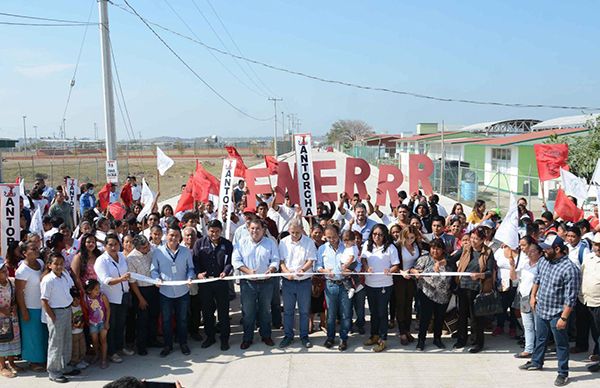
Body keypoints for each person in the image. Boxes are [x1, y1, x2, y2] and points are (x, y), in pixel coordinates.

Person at [519, 235, 581, 387]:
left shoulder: (569, 269)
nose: (543, 250)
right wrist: (533, 296)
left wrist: (564, 318)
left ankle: (563, 373)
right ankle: (536, 361)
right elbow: (537, 279)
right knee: (540, 338)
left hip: (557, 314)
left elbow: (571, 297)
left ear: (557, 249)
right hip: (541, 309)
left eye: (547, 248)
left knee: (561, 344)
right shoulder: (544, 261)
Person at [233, 219, 280, 350]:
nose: (255, 231)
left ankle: (266, 335)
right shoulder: (241, 243)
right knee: (248, 312)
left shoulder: (270, 243)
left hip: (266, 283)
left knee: (265, 311)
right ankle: (247, 338)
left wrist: (271, 269)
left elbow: (275, 259)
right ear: (248, 229)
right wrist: (248, 272)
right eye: (252, 228)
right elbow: (236, 261)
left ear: (263, 230)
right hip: (248, 283)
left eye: (258, 228)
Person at [151, 227, 195, 357]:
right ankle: (168, 345)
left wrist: (190, 277)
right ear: (166, 236)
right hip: (165, 292)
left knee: (182, 319)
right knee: (166, 320)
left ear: (180, 237)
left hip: (182, 291)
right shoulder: (158, 252)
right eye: (171, 235)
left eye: (176, 235)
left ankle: (183, 343)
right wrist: (156, 279)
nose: (173, 238)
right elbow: (154, 270)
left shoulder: (185, 251)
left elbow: (191, 268)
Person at [193, 220, 233, 351]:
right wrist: (198, 273)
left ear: (221, 231)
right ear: (208, 231)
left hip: (221, 282)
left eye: (217, 231)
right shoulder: (200, 243)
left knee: (223, 312)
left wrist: (225, 271)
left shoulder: (227, 244)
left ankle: (224, 339)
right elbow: (195, 261)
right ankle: (210, 337)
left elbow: (230, 262)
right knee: (207, 311)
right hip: (206, 283)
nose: (214, 234)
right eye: (211, 231)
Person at [455, 227, 496, 353]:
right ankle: (461, 339)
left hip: (478, 288)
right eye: (472, 238)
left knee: (476, 317)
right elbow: (452, 258)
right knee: (462, 315)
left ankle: (477, 342)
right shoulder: (466, 249)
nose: (473, 241)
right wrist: (442, 262)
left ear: (483, 240)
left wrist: (479, 275)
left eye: (476, 239)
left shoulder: (488, 252)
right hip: (463, 286)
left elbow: (490, 272)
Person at [40, 253, 80, 383]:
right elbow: (44, 301)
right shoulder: (48, 280)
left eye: (61, 264)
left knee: (67, 340)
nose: (59, 266)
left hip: (67, 309)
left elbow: (70, 289)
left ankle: (64, 366)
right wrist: (52, 317)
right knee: (56, 343)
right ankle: (54, 371)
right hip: (56, 312)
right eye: (55, 263)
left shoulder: (64, 276)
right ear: (49, 265)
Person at [278, 220, 317, 349]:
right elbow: (281, 261)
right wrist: (286, 272)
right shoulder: (283, 242)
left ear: (302, 230)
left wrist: (303, 270)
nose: (295, 235)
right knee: (288, 311)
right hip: (288, 282)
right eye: (292, 232)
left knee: (304, 311)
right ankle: (288, 336)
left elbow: (311, 260)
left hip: (304, 282)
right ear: (289, 231)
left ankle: (304, 336)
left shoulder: (309, 242)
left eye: (297, 232)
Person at [361, 224, 400, 352]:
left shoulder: (391, 248)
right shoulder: (367, 245)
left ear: (385, 236)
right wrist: (366, 267)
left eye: (380, 234)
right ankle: (374, 335)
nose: (377, 237)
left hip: (384, 284)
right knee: (373, 313)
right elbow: (363, 260)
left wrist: (390, 270)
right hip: (370, 284)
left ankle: (383, 339)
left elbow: (396, 265)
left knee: (382, 313)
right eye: (374, 234)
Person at [94, 234, 132, 364]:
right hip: (110, 299)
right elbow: (105, 280)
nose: (113, 247)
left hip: (123, 296)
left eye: (115, 244)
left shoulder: (122, 256)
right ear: (105, 246)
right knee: (111, 326)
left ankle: (120, 347)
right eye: (110, 244)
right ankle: (112, 352)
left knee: (121, 324)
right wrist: (121, 279)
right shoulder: (101, 260)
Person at [410, 238, 452, 350]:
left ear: (443, 250)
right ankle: (421, 340)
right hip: (426, 293)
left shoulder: (448, 260)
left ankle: (437, 339)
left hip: (443, 294)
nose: (435, 251)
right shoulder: (424, 259)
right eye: (433, 248)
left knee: (439, 318)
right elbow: (413, 270)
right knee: (425, 318)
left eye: (438, 248)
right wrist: (415, 272)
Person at [316, 225, 352, 351]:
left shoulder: (347, 247)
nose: (332, 240)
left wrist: (350, 270)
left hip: (345, 284)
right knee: (330, 314)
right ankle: (330, 337)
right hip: (330, 284)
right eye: (329, 237)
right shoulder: (322, 248)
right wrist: (325, 270)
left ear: (339, 235)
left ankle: (344, 338)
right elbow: (318, 266)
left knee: (346, 313)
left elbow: (356, 264)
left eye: (334, 237)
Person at [14, 241, 47, 372]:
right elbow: (19, 292)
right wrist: (24, 310)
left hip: (43, 306)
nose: (36, 250)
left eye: (37, 248)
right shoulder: (22, 270)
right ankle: (33, 361)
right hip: (30, 307)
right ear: (24, 253)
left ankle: (42, 359)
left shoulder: (41, 263)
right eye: (32, 249)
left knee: (42, 335)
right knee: (32, 336)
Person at [127, 235, 160, 356]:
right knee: (142, 319)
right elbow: (132, 282)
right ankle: (141, 345)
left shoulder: (152, 252)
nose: (147, 248)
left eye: (148, 245)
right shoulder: (131, 258)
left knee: (154, 316)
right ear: (138, 248)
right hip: (141, 291)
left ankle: (153, 340)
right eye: (144, 247)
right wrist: (140, 299)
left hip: (154, 289)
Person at [511, 242, 542, 359]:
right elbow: (515, 278)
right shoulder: (525, 264)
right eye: (529, 251)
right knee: (527, 325)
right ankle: (529, 349)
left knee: (538, 326)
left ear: (540, 253)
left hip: (537, 299)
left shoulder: (542, 265)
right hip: (524, 297)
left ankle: (539, 350)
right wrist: (512, 266)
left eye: (533, 251)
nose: (530, 253)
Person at [394, 225, 422, 345]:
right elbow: (393, 264)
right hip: (400, 278)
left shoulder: (417, 246)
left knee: (409, 305)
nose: (410, 240)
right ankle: (402, 332)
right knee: (400, 305)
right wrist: (401, 272)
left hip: (411, 279)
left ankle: (407, 330)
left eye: (412, 237)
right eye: (407, 238)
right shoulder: (397, 247)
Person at [580, 234, 600, 372]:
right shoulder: (588, 258)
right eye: (596, 244)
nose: (598, 247)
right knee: (595, 334)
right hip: (587, 301)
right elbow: (582, 275)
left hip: (599, 302)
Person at [0, 258, 21, 379]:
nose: (5, 272)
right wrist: (2, 310)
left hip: (12, 317)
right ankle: (2, 366)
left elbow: (16, 297)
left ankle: (12, 363)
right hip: (1, 319)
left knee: (12, 339)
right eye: (2, 271)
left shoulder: (11, 282)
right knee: (2, 340)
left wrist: (14, 306)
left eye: (5, 269)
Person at [84, 279, 110, 369]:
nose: (98, 291)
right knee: (94, 341)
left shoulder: (102, 297)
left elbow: (108, 309)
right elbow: (87, 310)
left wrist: (107, 322)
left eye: (98, 288)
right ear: (89, 290)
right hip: (92, 323)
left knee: (103, 340)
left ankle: (103, 359)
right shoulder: (86, 298)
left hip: (102, 322)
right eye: (96, 289)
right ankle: (97, 354)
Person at [69, 288, 88, 370]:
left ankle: (81, 360)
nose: (77, 301)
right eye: (74, 300)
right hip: (73, 333)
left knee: (82, 347)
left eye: (78, 299)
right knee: (75, 348)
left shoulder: (80, 306)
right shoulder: (70, 309)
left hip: (81, 331)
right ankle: (75, 362)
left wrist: (82, 323)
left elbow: (83, 316)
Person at [340, 230, 361, 298]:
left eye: (347, 241)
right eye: (344, 240)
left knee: (344, 276)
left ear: (352, 240)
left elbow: (351, 257)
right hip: (348, 263)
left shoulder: (352, 248)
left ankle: (350, 288)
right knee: (352, 275)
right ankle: (357, 284)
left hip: (350, 264)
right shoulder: (350, 247)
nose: (345, 243)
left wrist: (346, 265)